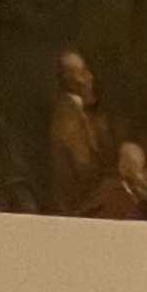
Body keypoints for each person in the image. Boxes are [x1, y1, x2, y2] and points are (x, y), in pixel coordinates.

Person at [46, 50, 107, 219]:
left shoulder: (83, 113)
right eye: (83, 73)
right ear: (68, 80)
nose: (90, 78)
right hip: (75, 209)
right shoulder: (66, 117)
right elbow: (83, 167)